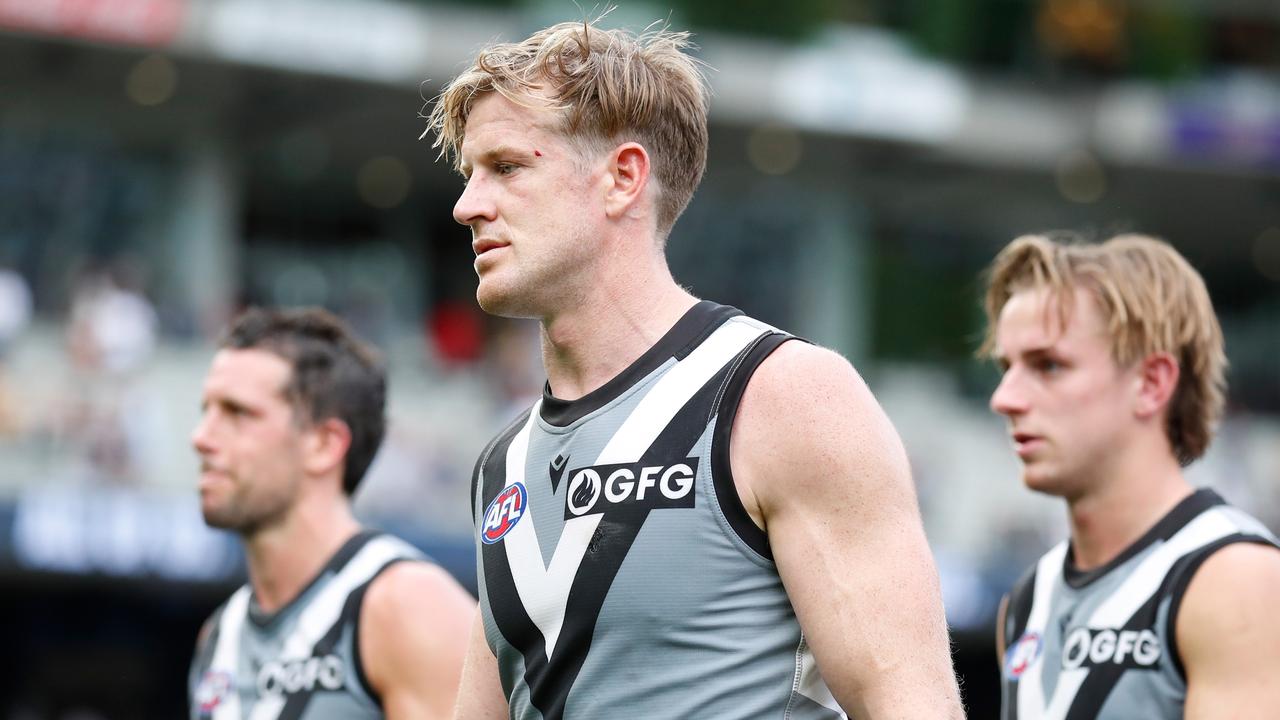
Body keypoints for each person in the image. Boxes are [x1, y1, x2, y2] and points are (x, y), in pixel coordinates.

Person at [422, 18, 962, 720]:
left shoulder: (784, 396)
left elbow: (912, 707)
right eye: (469, 175)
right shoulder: (503, 464)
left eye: (507, 168)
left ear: (622, 178)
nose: (467, 206)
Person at [982, 233, 1280, 719]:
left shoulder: (1234, 578)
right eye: (1006, 366)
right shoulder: (1027, 600)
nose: (1005, 398)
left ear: (1152, 383)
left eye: (1049, 365)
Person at [187, 307, 473, 719]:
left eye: (238, 413)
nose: (201, 438)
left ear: (324, 444)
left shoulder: (406, 608)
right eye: (206, 411)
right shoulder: (219, 636)